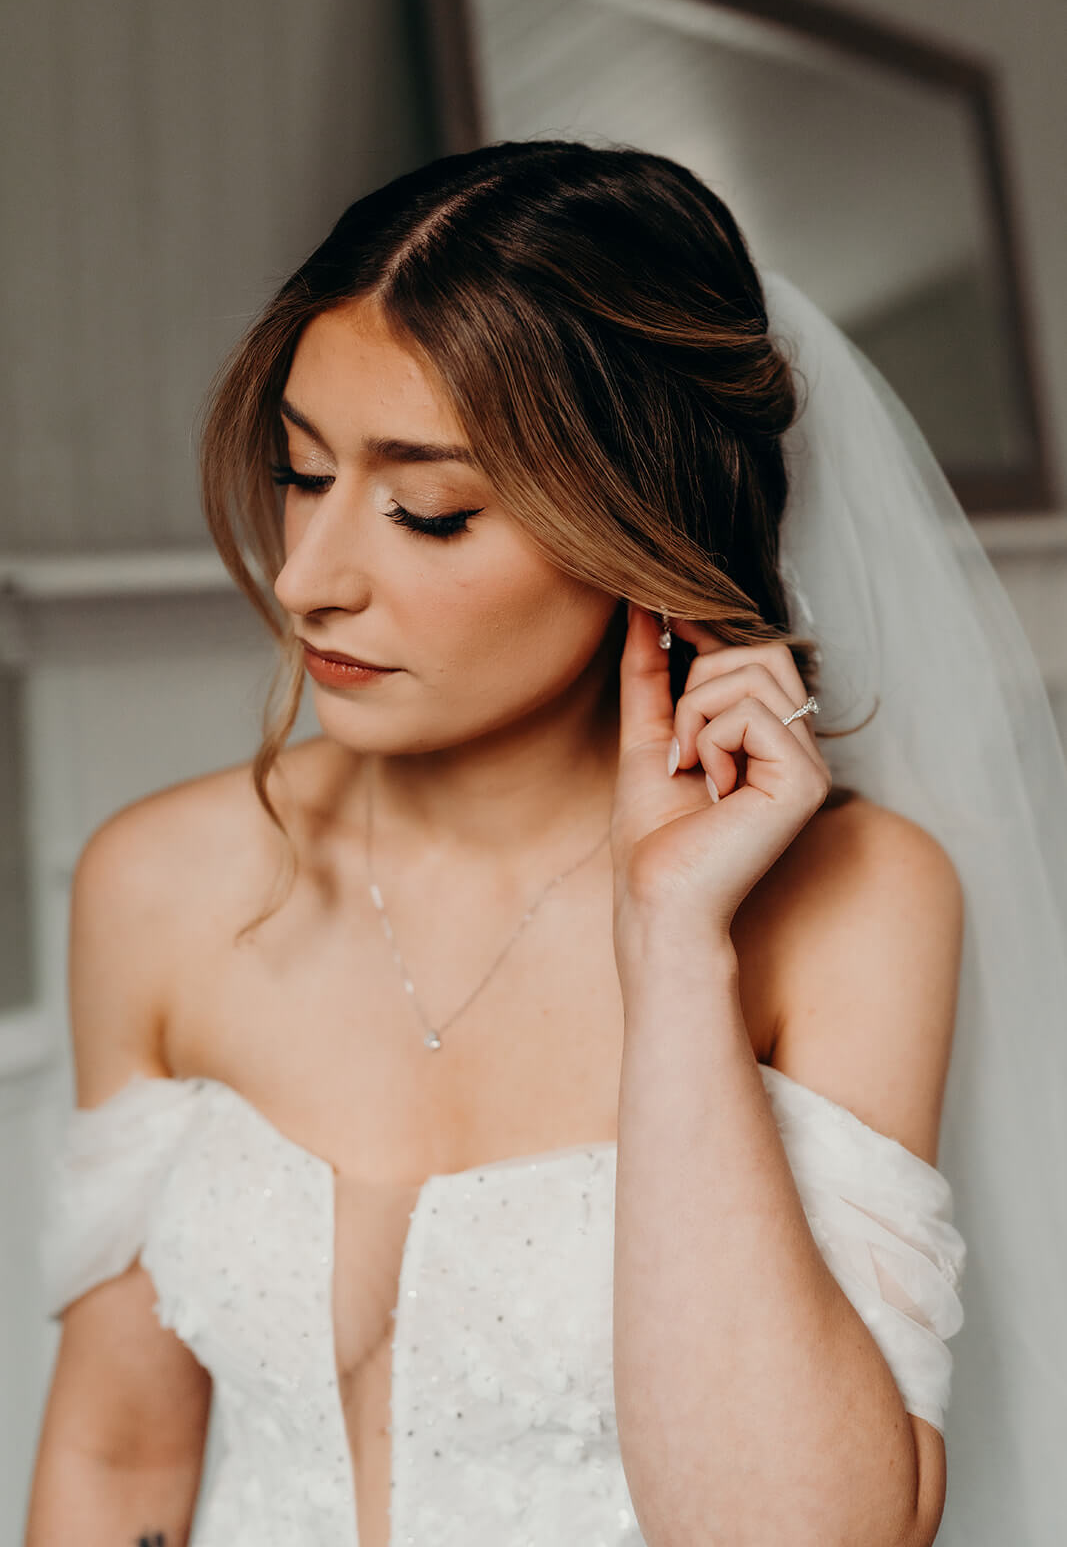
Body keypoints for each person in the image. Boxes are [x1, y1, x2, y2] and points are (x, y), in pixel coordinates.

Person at [23, 141, 1066, 1547]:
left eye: (426, 510)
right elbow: (116, 1460)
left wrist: (679, 949)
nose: (312, 580)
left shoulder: (854, 905)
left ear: (633, 519)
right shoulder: (160, 881)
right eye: (299, 472)